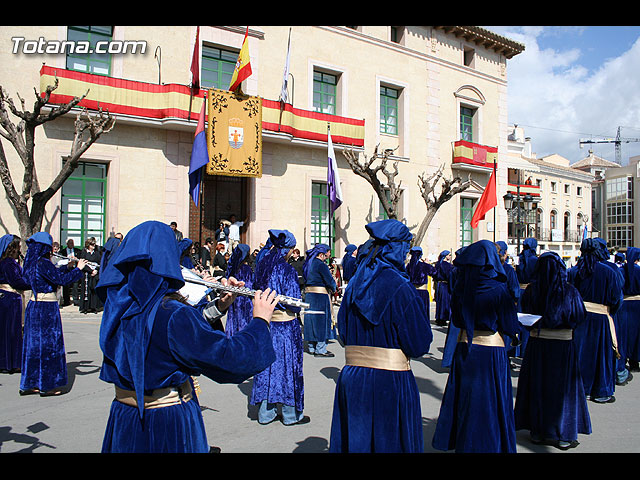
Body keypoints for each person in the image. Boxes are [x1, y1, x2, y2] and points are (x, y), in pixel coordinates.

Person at [96, 220, 278, 453]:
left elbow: (166, 339)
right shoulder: (172, 314)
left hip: (124, 419)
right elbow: (229, 359)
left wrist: (219, 307)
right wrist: (260, 321)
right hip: (165, 423)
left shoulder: (118, 307)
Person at [329, 219, 432, 453]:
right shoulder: (401, 287)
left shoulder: (354, 284)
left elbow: (342, 332)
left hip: (352, 378)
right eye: (405, 249)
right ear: (397, 249)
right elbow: (419, 344)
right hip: (390, 382)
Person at [432, 240, 521, 453]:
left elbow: (458, 320)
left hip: (465, 348)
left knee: (466, 399)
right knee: (490, 400)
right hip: (491, 351)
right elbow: (509, 325)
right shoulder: (499, 289)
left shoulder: (462, 289)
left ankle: (464, 442)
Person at [514, 252, 591, 450]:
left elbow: (522, 316)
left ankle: (538, 430)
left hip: (537, 345)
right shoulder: (569, 292)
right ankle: (563, 433)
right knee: (561, 389)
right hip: (562, 346)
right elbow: (579, 316)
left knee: (538, 385)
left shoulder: (531, 291)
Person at [249, 229, 307, 426]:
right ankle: (291, 415)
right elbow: (293, 302)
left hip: (266, 323)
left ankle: (266, 413)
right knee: (288, 367)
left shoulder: (262, 265)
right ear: (289, 249)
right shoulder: (287, 270)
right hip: (285, 325)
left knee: (267, 366)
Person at [20, 232, 87, 396]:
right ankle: (48, 385)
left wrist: (67, 266)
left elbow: (51, 274)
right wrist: (79, 269)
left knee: (34, 346)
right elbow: (60, 280)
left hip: (34, 306)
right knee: (50, 346)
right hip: (47, 309)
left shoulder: (32, 263)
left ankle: (31, 383)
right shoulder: (43, 263)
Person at [568, 237, 624, 403]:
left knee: (580, 353)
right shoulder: (609, 272)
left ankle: (580, 388)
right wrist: (607, 311)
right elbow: (616, 299)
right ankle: (600, 391)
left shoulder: (575, 272)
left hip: (580, 318)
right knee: (601, 355)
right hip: (601, 319)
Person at [0, 234, 31, 374]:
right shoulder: (8, 263)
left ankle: (11, 362)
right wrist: (33, 283)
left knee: (10, 330)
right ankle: (9, 363)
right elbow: (16, 281)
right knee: (10, 330)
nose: (19, 248)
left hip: (10, 298)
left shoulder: (10, 262)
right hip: (9, 299)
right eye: (18, 246)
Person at [302, 243, 337, 357]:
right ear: (322, 254)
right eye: (328, 252)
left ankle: (311, 347)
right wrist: (334, 285)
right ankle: (320, 349)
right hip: (320, 295)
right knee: (321, 321)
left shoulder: (308, 263)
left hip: (309, 295)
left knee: (311, 319)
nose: (329, 254)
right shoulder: (321, 265)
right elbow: (329, 281)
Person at [615, 247, 640, 374]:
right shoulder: (639, 270)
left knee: (623, 334)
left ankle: (622, 360)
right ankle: (635, 361)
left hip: (623, 305)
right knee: (637, 335)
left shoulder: (620, 271)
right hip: (638, 306)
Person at [224, 244, 255, 337]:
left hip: (234, 299)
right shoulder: (246, 269)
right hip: (244, 300)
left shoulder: (233, 269)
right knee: (244, 322)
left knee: (234, 321)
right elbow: (249, 285)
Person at [406, 246, 435, 324]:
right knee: (423, 312)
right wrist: (428, 264)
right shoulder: (424, 265)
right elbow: (434, 272)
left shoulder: (409, 266)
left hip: (412, 291)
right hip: (422, 292)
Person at [78, 237, 102, 314]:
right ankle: (85, 307)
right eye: (92, 244)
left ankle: (94, 307)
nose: (93, 246)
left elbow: (99, 263)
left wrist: (96, 271)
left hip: (94, 274)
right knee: (86, 290)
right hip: (86, 274)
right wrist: (90, 270)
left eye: (94, 244)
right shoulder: (84, 252)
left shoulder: (97, 253)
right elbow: (82, 263)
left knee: (94, 291)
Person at [432, 250, 454, 327]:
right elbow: (449, 276)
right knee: (445, 302)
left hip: (439, 284)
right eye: (449, 255)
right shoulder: (447, 266)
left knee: (439, 301)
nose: (450, 256)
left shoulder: (437, 264)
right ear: (446, 256)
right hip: (445, 285)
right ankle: (443, 318)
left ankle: (439, 318)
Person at [61, 238, 81, 306]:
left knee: (75, 285)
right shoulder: (63, 252)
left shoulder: (77, 251)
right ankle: (66, 301)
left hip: (74, 268)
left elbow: (80, 259)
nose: (72, 244)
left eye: (72, 243)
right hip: (67, 269)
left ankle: (75, 300)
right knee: (66, 286)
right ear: (67, 244)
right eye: (70, 243)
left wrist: (76, 259)